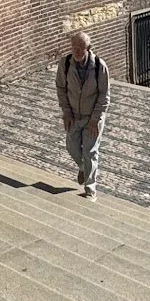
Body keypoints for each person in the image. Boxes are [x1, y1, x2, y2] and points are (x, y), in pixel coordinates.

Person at [55, 30, 109, 199]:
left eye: (80, 48)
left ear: (89, 48)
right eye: (74, 47)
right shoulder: (65, 64)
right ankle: (82, 167)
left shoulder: (100, 66)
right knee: (71, 147)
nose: (76, 51)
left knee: (90, 152)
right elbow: (61, 89)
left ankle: (90, 188)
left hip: (92, 117)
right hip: (73, 116)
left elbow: (104, 96)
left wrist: (95, 120)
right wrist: (66, 113)